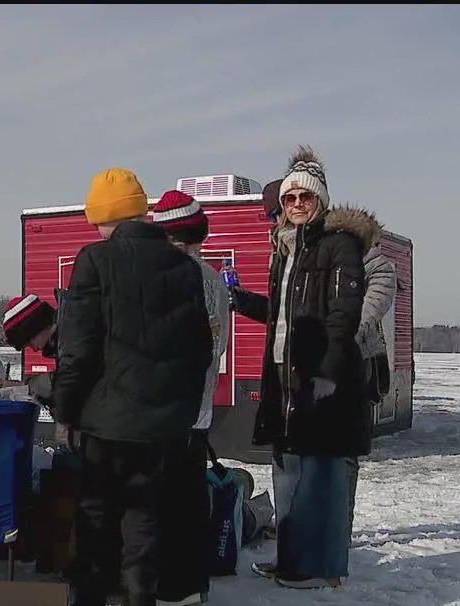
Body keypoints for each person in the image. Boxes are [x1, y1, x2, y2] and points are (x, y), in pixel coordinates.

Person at [51, 167, 213, 606]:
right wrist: (180, 414)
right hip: (163, 425)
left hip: (106, 423)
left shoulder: (95, 261)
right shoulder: (185, 267)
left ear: (103, 217)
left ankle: (92, 598)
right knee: (143, 523)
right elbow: (201, 349)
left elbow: (78, 350)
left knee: (97, 520)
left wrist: (64, 409)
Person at [229, 146, 367, 588]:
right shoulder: (287, 249)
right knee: (286, 471)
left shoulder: (338, 246)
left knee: (320, 478)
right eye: (289, 199)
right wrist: (245, 302)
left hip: (320, 378)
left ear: (320, 200)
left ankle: (316, 567)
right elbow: (284, 313)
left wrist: (327, 372)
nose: (296, 206)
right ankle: (289, 558)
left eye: (305, 198)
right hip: (283, 376)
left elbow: (342, 315)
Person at [258, 177, 398, 547]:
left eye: (281, 209)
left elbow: (372, 295)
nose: (280, 217)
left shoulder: (354, 250)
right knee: (301, 452)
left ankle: (337, 535)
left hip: (353, 363)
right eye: (279, 208)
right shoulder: (290, 248)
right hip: (305, 365)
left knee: (340, 454)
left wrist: (338, 338)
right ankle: (304, 536)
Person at [151, 190, 229, 606]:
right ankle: (189, 585)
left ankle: (169, 586)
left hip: (162, 413)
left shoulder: (166, 277)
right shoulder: (214, 279)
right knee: (190, 501)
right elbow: (218, 348)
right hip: (197, 411)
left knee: (164, 504)